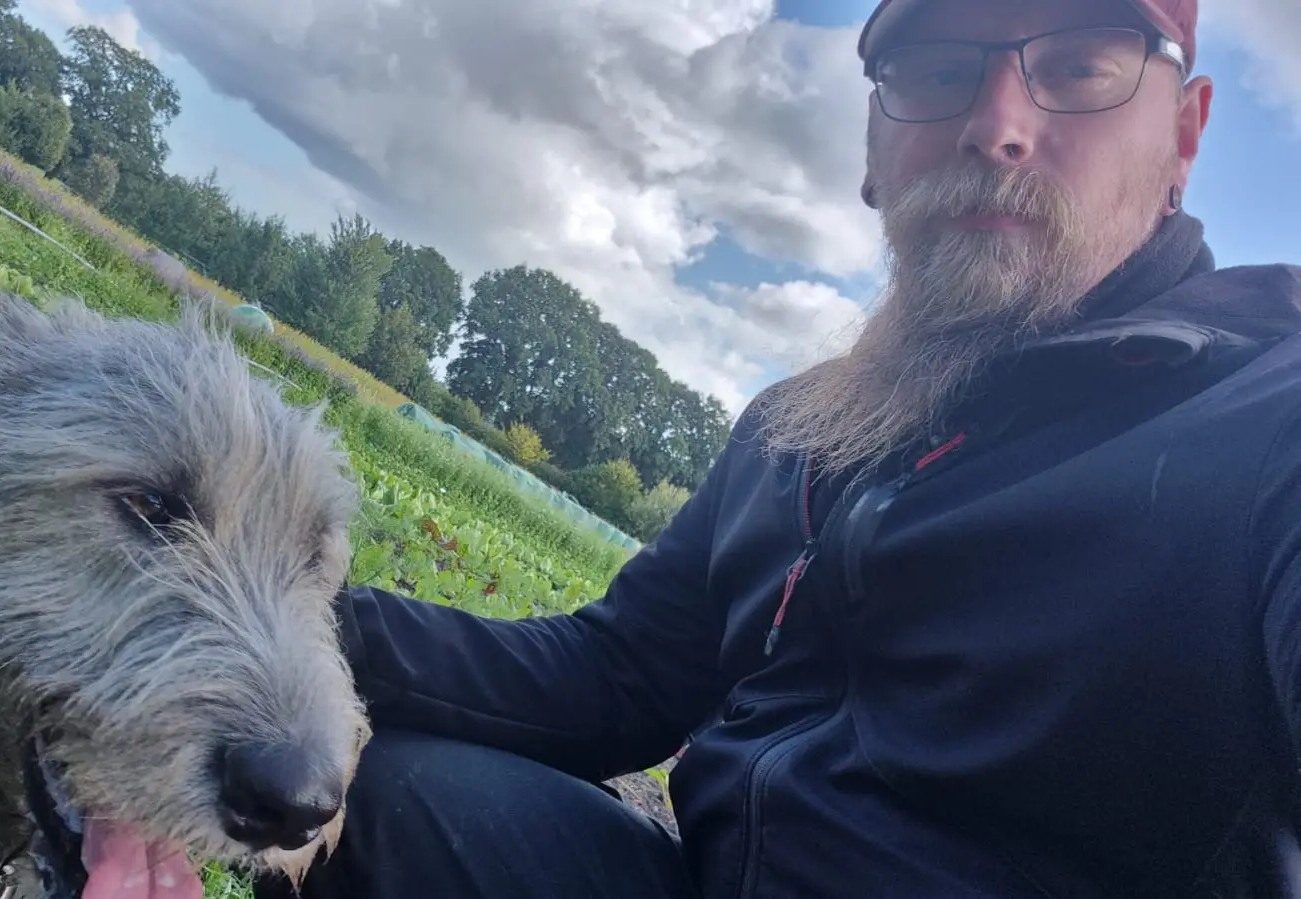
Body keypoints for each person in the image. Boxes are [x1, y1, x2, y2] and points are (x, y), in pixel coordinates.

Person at [221, 0, 1301, 896]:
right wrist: (275, 612)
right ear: (876, 151)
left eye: (1078, 66)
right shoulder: (808, 423)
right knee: (389, 794)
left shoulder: (1259, 417)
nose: (999, 124)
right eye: (938, 70)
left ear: (1187, 133)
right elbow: (619, 671)